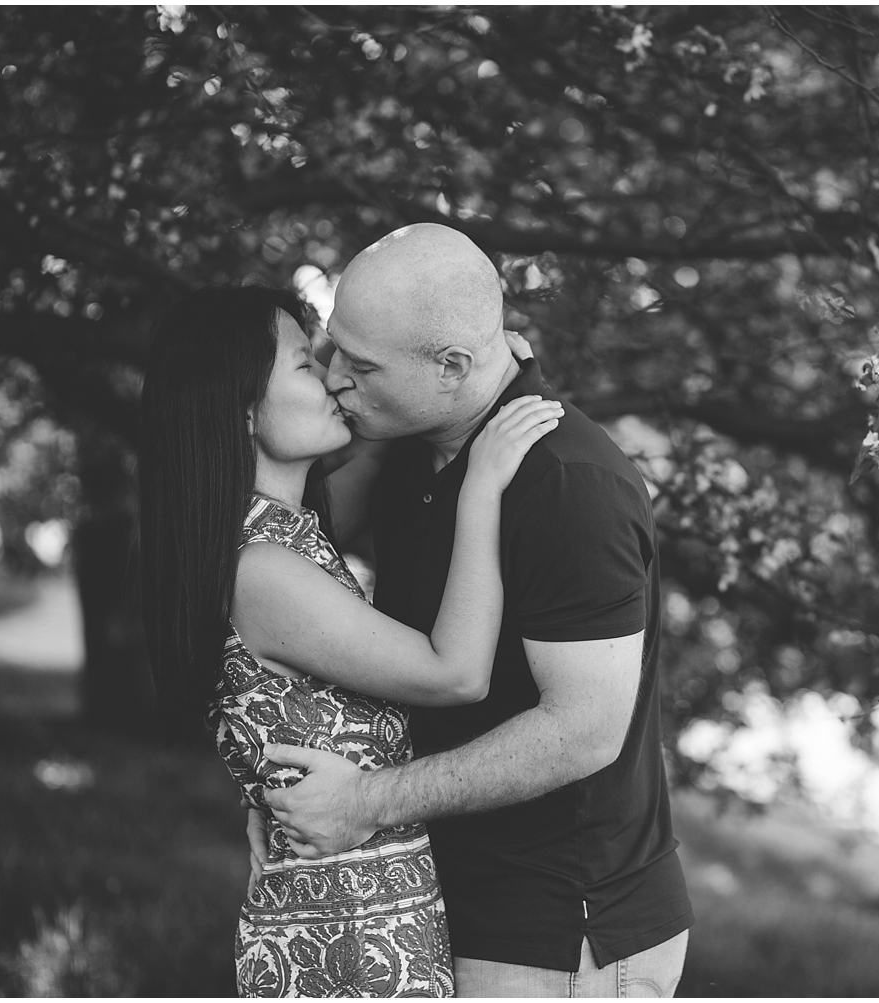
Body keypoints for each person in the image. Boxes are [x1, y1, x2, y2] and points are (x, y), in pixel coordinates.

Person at [256, 223, 694, 997]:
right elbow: (308, 558)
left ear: (453, 365)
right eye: (331, 350)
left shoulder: (566, 486)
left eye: (359, 365)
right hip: (451, 900)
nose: (333, 378)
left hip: (558, 927)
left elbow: (583, 730)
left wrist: (364, 803)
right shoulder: (415, 444)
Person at [138, 285, 563, 997]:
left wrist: (479, 376)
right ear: (244, 410)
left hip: (368, 920)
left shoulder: (283, 529)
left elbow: (399, 439)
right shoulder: (262, 569)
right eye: (308, 365)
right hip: (346, 940)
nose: (337, 379)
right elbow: (454, 671)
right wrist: (484, 486)